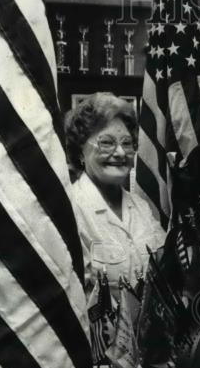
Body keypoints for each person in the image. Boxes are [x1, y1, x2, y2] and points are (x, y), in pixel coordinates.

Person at [65, 92, 164, 296]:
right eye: (107, 143)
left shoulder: (142, 208)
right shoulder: (70, 209)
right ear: (80, 151)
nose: (120, 153)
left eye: (127, 143)